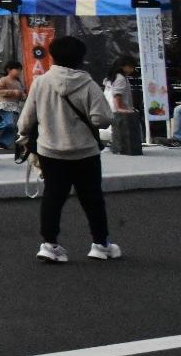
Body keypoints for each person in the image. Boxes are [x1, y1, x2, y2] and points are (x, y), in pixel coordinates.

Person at [18, 35, 120, 263]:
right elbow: (102, 119)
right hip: (84, 152)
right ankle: (100, 244)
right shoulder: (89, 84)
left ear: (53, 55)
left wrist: (25, 138)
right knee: (92, 199)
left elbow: (25, 121)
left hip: (50, 152)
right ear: (80, 58)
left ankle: (49, 244)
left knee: (53, 198)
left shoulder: (41, 82)